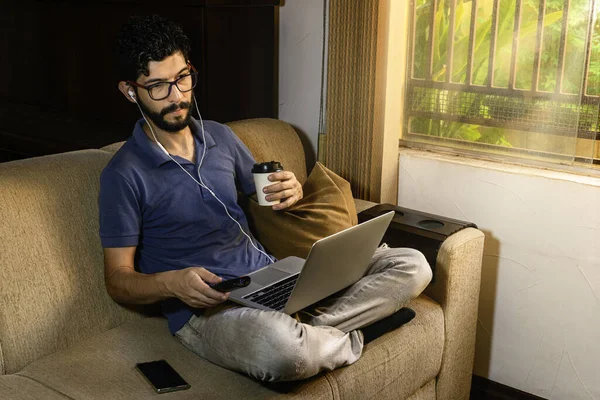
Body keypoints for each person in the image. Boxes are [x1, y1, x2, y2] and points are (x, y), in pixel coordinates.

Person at [99, 15, 432, 383]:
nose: (177, 96)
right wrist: (170, 284)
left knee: (413, 265)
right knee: (283, 349)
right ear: (131, 91)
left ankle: (313, 334)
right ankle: (342, 337)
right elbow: (117, 280)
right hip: (209, 311)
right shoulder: (122, 174)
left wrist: (292, 189)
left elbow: (267, 193)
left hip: (272, 275)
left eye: (182, 78)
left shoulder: (220, 137)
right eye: (158, 86)